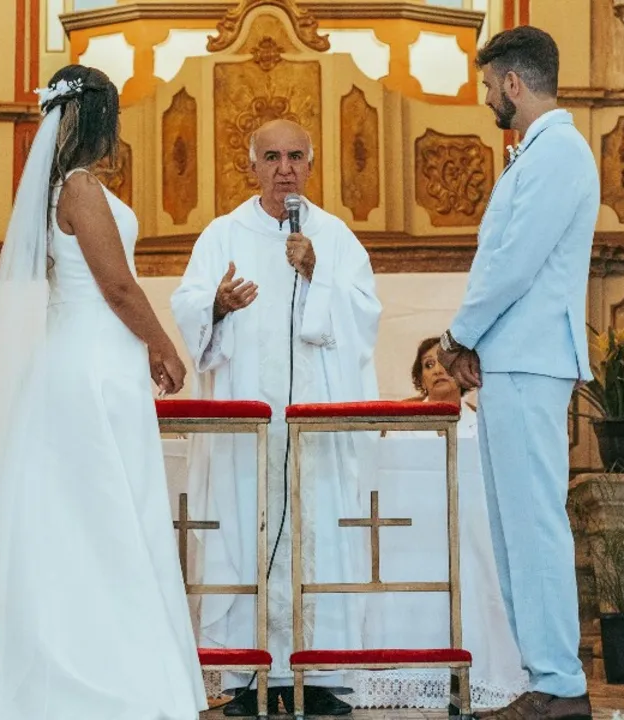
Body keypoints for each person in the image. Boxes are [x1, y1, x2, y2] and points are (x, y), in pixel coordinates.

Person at [0, 65, 206, 720]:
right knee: (102, 516)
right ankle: (102, 675)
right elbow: (117, 286)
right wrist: (164, 347)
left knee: (79, 517)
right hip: (91, 367)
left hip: (87, 359)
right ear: (101, 119)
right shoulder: (80, 187)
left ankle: (72, 663)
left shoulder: (63, 188)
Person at [171, 118, 382, 717]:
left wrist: (318, 274)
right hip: (250, 433)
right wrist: (217, 305)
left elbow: (365, 318)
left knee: (319, 534)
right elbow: (189, 305)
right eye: (271, 157)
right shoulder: (222, 235)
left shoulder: (335, 236)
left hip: (314, 432)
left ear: (311, 164)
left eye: (294, 156)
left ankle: (319, 677)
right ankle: (247, 677)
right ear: (252, 165)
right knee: (245, 531)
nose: (284, 168)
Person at [436, 26, 599, 720]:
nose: (485, 99)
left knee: (533, 527)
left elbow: (513, 262)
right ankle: (545, 678)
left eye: (487, 85)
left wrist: (457, 336)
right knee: (514, 532)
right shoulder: (538, 152)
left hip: (531, 360)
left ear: (512, 81)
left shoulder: (557, 151)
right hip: (513, 359)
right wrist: (474, 340)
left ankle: (560, 685)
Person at [351, 338, 528, 711]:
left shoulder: (483, 424)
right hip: (410, 538)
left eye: (443, 362)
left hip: (469, 537)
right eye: (428, 365)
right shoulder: (398, 422)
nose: (437, 370)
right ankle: (404, 676)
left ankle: (474, 672)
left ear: (463, 371)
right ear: (420, 378)